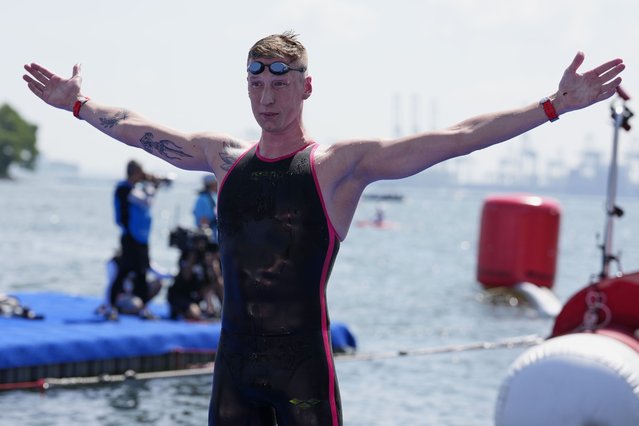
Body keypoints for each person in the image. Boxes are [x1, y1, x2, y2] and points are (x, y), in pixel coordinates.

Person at [23, 31, 624, 425]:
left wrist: (551, 106)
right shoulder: (223, 159)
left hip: (302, 374)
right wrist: (79, 106)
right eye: (256, 83)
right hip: (231, 372)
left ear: (305, 87)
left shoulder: (338, 168)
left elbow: (457, 139)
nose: (266, 96)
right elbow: (136, 127)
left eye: (279, 83)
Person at [109, 160, 161, 320]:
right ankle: (111, 306)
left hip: (139, 236)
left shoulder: (132, 189)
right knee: (124, 270)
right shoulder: (125, 189)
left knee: (141, 272)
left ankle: (143, 307)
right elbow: (146, 201)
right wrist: (152, 185)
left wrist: (151, 184)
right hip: (131, 236)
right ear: (135, 172)